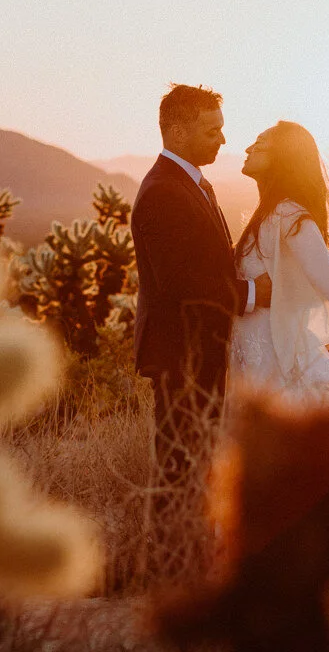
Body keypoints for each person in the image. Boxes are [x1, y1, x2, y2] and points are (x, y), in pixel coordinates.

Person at [131, 84, 271, 503]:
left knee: (199, 461)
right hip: (181, 354)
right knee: (179, 469)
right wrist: (251, 294)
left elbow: (208, 261)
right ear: (176, 133)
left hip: (200, 350)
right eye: (212, 131)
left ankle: (187, 549)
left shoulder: (192, 183)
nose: (224, 140)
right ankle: (169, 559)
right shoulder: (162, 193)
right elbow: (180, 284)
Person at [230, 121, 329, 407]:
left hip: (272, 352)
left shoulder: (288, 213)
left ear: (282, 158)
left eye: (259, 144)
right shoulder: (267, 215)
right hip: (253, 350)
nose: (248, 149)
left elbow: (322, 268)